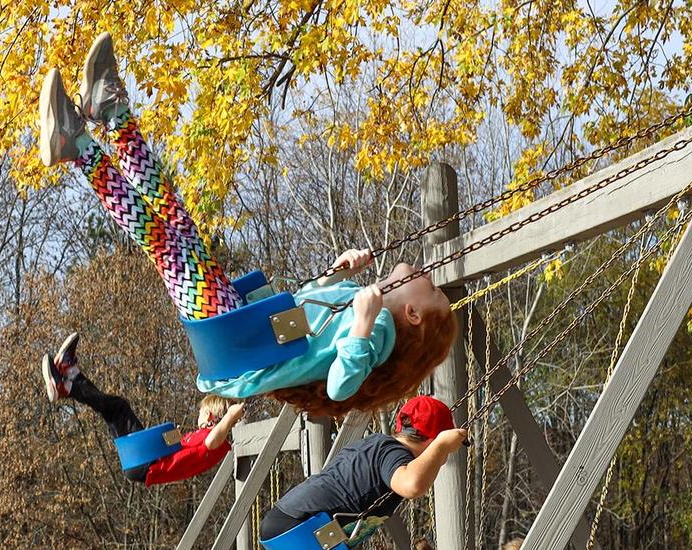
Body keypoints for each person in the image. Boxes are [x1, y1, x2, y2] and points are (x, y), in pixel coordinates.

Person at [36, 33, 459, 416]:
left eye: (433, 290)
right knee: (175, 223)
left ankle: (78, 145)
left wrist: (364, 323)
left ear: (414, 314)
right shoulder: (358, 299)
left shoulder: (379, 333)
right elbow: (304, 312)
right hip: (241, 327)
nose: (428, 277)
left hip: (239, 346)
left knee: (167, 243)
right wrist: (338, 275)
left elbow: (340, 387)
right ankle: (108, 113)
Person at [257, 395, 471, 545]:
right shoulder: (394, 452)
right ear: (432, 440)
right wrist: (441, 446)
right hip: (301, 525)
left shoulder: (375, 445)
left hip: (288, 520)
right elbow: (412, 485)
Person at [41, 332, 247, 486]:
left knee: (119, 407)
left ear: (211, 415)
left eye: (201, 412)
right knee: (112, 410)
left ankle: (69, 382)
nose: (198, 415)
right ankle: (70, 380)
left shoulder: (214, 440)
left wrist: (229, 416)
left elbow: (213, 440)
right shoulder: (200, 437)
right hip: (141, 461)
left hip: (146, 463)